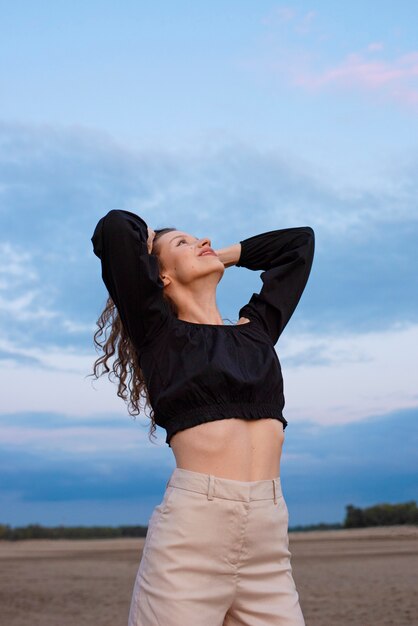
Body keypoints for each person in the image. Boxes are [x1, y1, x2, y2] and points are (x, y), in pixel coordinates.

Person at [90, 208, 315, 626]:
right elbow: (115, 228)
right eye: (184, 243)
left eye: (199, 238)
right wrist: (150, 241)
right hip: (193, 537)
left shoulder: (256, 330)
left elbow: (299, 243)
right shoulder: (158, 334)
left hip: (268, 540)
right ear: (162, 277)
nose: (201, 240)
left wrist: (219, 255)